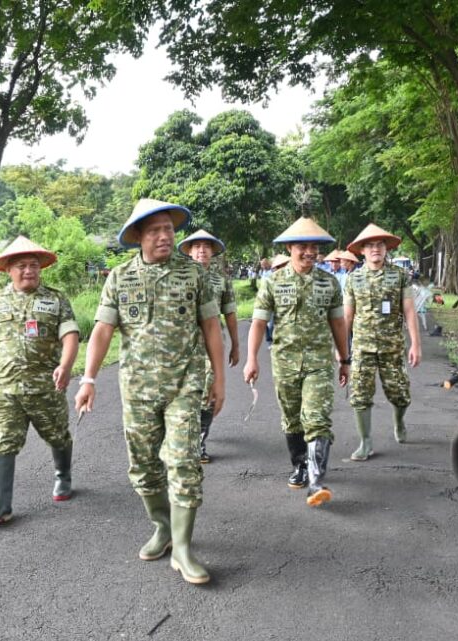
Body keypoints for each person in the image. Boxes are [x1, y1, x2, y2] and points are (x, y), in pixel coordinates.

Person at [75, 199, 225, 585]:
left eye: (169, 229)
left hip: (184, 385)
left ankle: (184, 549)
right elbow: (103, 332)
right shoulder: (120, 277)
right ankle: (161, 526)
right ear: (138, 236)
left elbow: (211, 327)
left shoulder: (193, 274)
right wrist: (88, 379)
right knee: (143, 467)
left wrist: (219, 380)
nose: (164, 236)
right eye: (155, 230)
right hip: (138, 389)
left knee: (184, 463)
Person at [243, 217, 350, 507]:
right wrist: (251, 359)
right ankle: (301, 465)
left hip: (318, 362)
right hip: (284, 362)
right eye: (303, 246)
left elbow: (338, 323)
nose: (309, 252)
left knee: (317, 418)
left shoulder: (328, 283)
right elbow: (257, 323)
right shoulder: (273, 283)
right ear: (290, 248)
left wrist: (345, 359)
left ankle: (316, 482)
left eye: (314, 247)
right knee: (292, 420)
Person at [0, 236, 80, 525]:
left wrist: (66, 365)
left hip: (47, 386)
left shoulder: (55, 299)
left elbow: (70, 336)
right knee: (2, 442)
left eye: (33, 265)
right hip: (7, 389)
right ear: (9, 269)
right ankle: (1, 505)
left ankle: (63, 476)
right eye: (21, 265)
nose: (29, 270)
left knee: (58, 435)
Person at [344, 223, 422, 461]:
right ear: (362, 251)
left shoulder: (399, 276)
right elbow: (348, 315)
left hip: (392, 346)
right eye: (370, 245)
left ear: (386, 248)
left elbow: (409, 311)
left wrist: (416, 344)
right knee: (359, 395)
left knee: (400, 394)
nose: (375, 249)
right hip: (362, 347)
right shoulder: (353, 278)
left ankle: (399, 423)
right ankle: (365, 443)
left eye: (379, 245)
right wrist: (341, 349)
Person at [177, 228, 240, 464]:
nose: (202, 250)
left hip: (211, 344)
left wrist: (236, 345)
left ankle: (199, 441)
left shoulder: (221, 280)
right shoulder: (180, 277)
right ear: (190, 251)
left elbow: (230, 313)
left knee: (208, 390)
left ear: (213, 251)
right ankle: (183, 434)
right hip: (183, 345)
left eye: (206, 246)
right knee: (186, 392)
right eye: (196, 246)